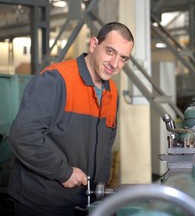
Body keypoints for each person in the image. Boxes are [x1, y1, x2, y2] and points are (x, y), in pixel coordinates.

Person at [7, 22, 134, 216]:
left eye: (123, 58)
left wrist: (100, 191)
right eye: (110, 51)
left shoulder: (112, 92)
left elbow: (106, 147)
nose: (115, 64)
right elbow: (23, 136)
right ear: (93, 45)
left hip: (85, 203)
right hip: (41, 203)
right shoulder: (56, 80)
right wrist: (63, 172)